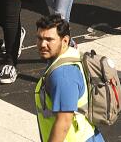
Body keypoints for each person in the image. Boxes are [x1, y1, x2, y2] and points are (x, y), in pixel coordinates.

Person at [34, 14, 105, 142]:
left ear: (65, 40)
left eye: (49, 39)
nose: (42, 44)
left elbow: (64, 121)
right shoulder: (69, 56)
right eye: (39, 38)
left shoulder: (63, 75)